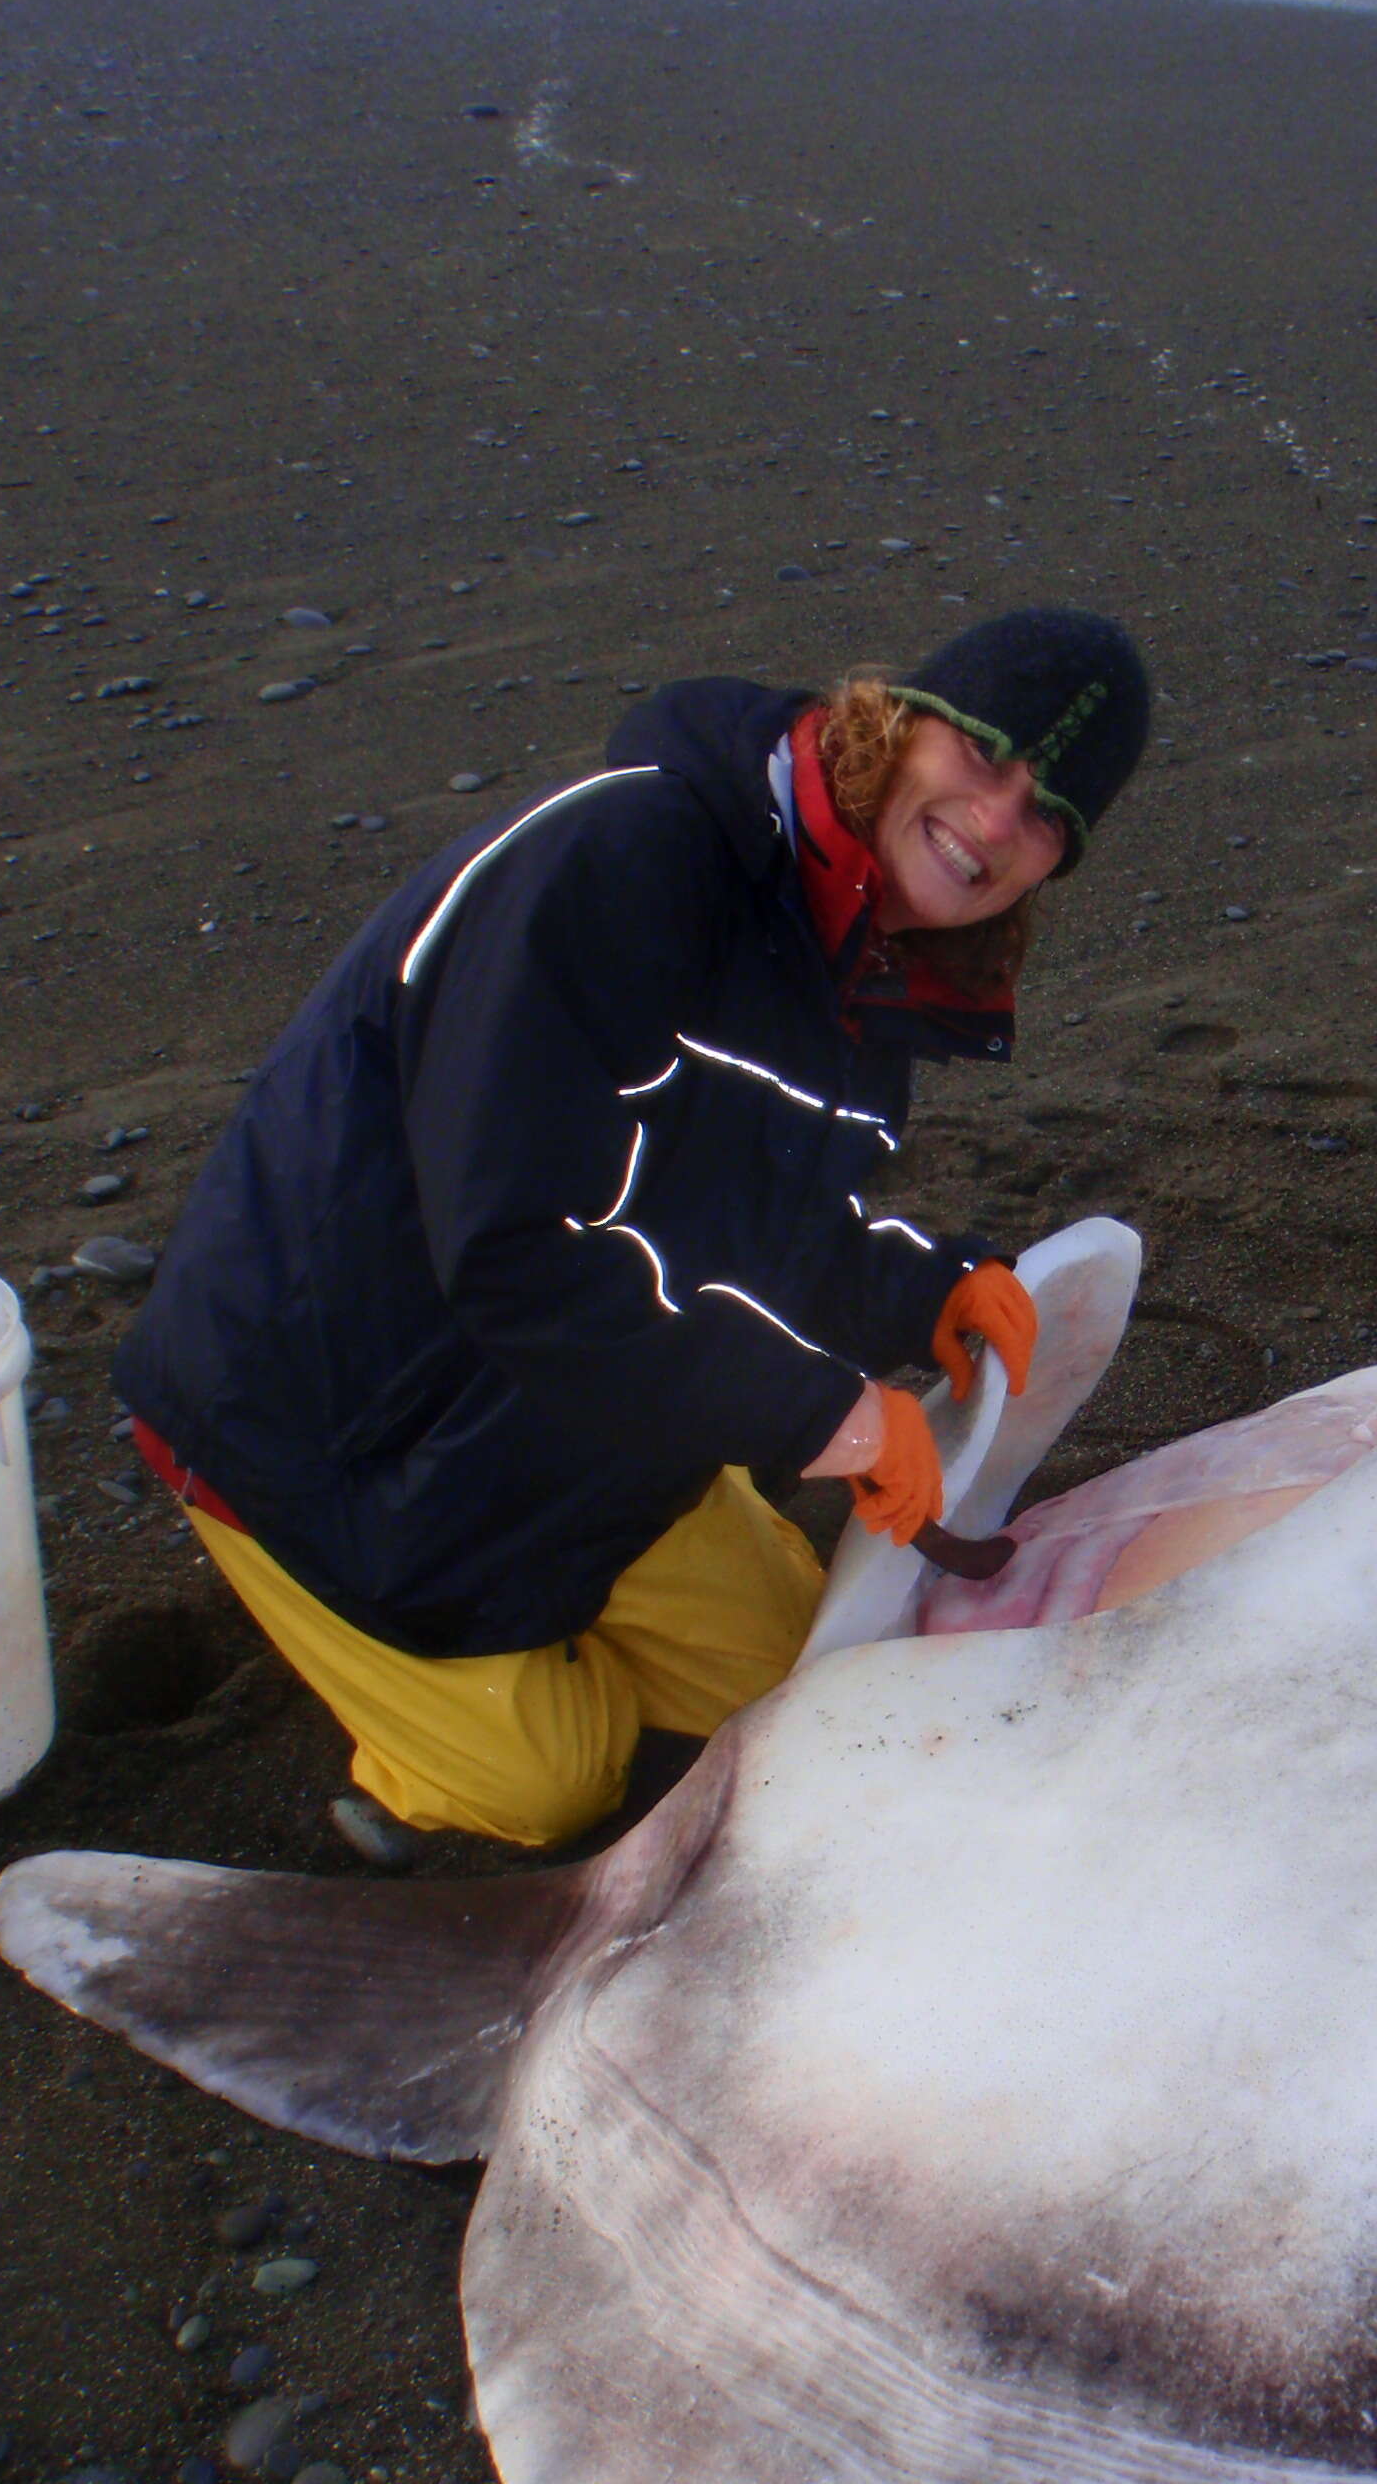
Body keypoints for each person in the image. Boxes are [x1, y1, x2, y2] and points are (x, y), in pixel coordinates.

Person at [113, 607, 1154, 1867]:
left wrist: (914, 1292)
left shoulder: (876, 961)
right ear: (902, 720)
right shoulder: (623, 858)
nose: (994, 823)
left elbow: (745, 1211)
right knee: (553, 1779)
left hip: (567, 1414)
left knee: (799, 1682)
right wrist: (828, 1416)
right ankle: (409, 1729)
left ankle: (531, 1629)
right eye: (985, 758)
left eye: (1046, 815)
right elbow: (516, 1254)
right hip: (330, 1426)